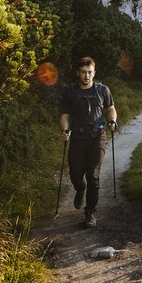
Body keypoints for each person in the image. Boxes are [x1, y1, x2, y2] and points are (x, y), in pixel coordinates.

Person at [58, 56, 117, 228]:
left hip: (97, 137)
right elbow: (64, 116)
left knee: (93, 175)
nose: (86, 76)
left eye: (90, 72)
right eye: (83, 72)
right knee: (76, 175)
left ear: (94, 73)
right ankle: (80, 188)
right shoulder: (71, 92)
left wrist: (112, 121)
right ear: (78, 73)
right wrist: (65, 130)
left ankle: (90, 212)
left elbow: (111, 109)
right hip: (77, 138)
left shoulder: (102, 90)